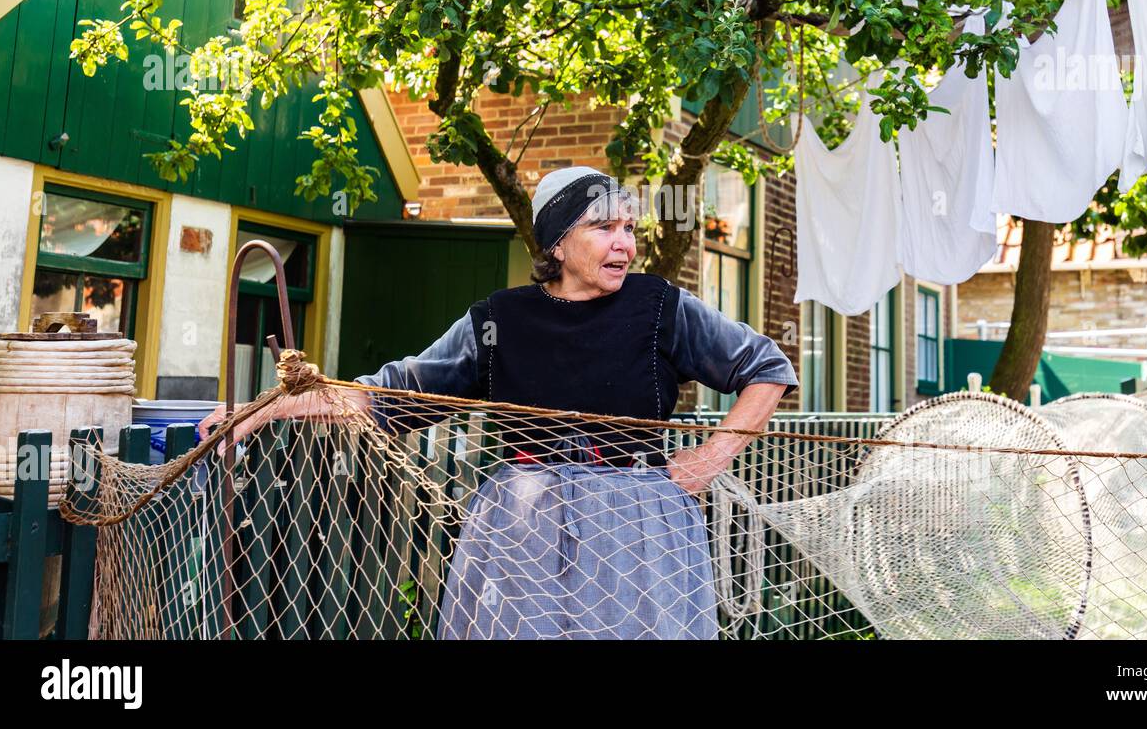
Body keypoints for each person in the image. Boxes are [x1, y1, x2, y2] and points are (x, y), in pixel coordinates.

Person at [199, 165, 797, 639]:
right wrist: (257, 412)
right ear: (558, 245)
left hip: (635, 529)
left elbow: (767, 368)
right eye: (604, 228)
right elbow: (389, 391)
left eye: (629, 229)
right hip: (523, 526)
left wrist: (708, 459)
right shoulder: (499, 321)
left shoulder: (661, 306)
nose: (624, 244)